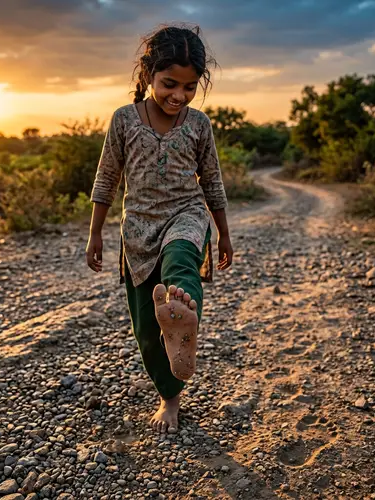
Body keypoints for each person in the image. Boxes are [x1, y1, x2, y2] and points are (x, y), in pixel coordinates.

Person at [86, 24, 233, 433]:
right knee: (147, 330)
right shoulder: (123, 121)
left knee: (181, 262)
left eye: (189, 88)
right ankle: (169, 394)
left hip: (186, 214)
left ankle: (186, 313)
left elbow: (213, 181)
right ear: (148, 74)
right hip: (138, 229)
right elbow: (106, 179)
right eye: (170, 84)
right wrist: (95, 232)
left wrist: (222, 232)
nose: (179, 96)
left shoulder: (199, 125)